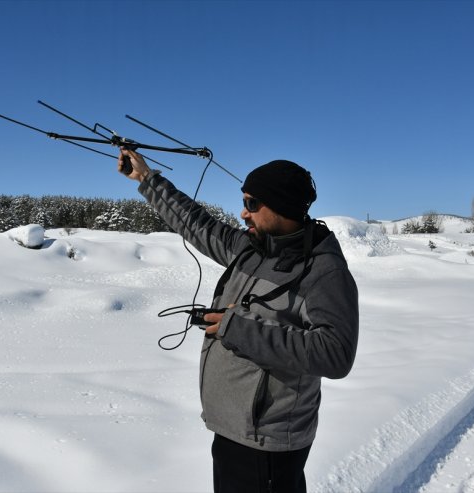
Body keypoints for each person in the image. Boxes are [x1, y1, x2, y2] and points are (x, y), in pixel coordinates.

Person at [118, 149, 359, 493]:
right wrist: (146, 178)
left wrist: (238, 328)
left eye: (252, 203)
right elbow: (196, 223)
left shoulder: (323, 272)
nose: (243, 212)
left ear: (283, 206)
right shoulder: (253, 246)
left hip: (268, 443)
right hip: (234, 431)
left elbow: (335, 353)